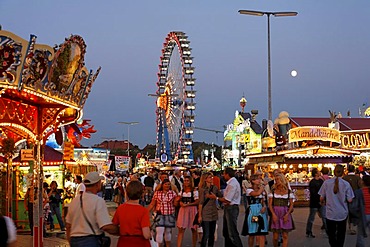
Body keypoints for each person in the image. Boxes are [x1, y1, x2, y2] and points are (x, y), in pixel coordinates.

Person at [66, 171, 118, 247]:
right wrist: (119, 230)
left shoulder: (75, 201)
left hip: (75, 240)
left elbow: (68, 225)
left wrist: (71, 241)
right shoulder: (98, 201)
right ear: (97, 184)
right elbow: (105, 226)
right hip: (91, 240)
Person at [318, 165, 354, 247]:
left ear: (334, 172)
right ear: (343, 172)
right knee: (341, 234)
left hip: (330, 213)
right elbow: (350, 199)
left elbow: (321, 197)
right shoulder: (346, 184)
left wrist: (323, 202)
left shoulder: (326, 183)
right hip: (342, 213)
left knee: (331, 234)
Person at [209, 167, 243, 247]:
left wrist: (216, 198)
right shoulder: (231, 183)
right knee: (227, 231)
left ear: (227, 174)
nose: (223, 175)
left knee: (232, 231)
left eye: (224, 174)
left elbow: (227, 200)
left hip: (231, 208)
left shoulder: (232, 184)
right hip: (229, 208)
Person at [112, 180, 151, 247]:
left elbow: (114, 226)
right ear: (141, 194)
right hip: (140, 242)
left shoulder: (121, 208)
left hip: (124, 242)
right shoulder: (143, 211)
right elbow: (146, 235)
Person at [148, 178, 177, 247]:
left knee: (168, 232)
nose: (167, 186)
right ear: (162, 185)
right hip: (160, 214)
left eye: (168, 184)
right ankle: (159, 245)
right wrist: (146, 211)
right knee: (159, 231)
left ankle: (167, 245)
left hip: (169, 214)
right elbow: (152, 203)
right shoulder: (157, 193)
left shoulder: (173, 193)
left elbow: (175, 204)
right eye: (166, 184)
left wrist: (177, 200)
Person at [241, 174, 268, 247]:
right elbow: (256, 194)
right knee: (252, 232)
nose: (259, 181)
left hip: (260, 210)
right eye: (257, 179)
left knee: (261, 231)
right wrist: (263, 187)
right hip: (253, 211)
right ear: (252, 181)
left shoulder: (262, 190)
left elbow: (263, 200)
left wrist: (264, 206)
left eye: (260, 179)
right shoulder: (249, 190)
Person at [268, 173, 295, 247]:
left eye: (278, 179)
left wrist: (287, 214)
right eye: (276, 179)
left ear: (282, 180)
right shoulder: (273, 191)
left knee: (285, 235)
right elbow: (270, 204)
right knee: (275, 237)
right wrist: (273, 214)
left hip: (285, 212)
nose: (276, 181)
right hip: (276, 212)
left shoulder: (288, 192)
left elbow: (291, 204)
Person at [198, 172, 222, 247]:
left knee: (212, 233)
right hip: (205, 212)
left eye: (211, 177)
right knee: (206, 233)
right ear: (205, 179)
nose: (211, 178)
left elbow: (220, 196)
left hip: (213, 212)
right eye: (209, 177)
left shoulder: (214, 187)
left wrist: (216, 196)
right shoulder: (202, 189)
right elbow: (201, 203)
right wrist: (200, 215)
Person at [176, 175, 199, 247]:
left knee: (194, 229)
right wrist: (180, 202)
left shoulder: (194, 191)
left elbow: (197, 201)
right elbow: (178, 199)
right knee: (181, 229)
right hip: (183, 210)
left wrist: (189, 204)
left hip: (192, 210)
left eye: (187, 181)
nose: (186, 182)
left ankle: (194, 245)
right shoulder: (182, 191)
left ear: (190, 182)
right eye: (185, 181)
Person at [305, 168, 326, 238]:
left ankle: (328, 231)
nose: (320, 172)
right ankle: (309, 231)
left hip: (319, 201)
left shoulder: (321, 181)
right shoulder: (313, 182)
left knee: (324, 216)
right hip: (315, 202)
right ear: (316, 174)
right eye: (318, 172)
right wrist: (320, 199)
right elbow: (313, 193)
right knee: (312, 217)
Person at [343, 164, 363, 234]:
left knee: (346, 212)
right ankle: (353, 227)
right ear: (354, 170)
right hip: (355, 197)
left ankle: (346, 226)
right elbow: (361, 187)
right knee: (354, 212)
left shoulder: (344, 178)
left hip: (345, 197)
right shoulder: (357, 178)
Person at [355, 175, 370, 247]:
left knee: (361, 235)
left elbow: (354, 205)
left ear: (363, 182)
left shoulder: (358, 192)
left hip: (363, 214)